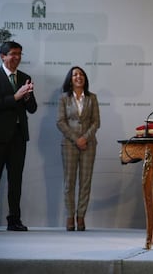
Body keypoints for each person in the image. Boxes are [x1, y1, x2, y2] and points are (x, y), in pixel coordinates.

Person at [0, 41, 37, 232]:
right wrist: (16, 96)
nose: (17, 57)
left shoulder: (25, 77)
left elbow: (32, 109)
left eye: (19, 54)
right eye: (13, 54)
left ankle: (14, 220)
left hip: (18, 136)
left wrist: (27, 96)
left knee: (16, 180)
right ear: (2, 56)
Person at [57, 66, 100, 231]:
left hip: (89, 144)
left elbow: (96, 122)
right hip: (69, 144)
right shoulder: (63, 98)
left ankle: (81, 217)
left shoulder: (92, 98)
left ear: (85, 79)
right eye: (75, 74)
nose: (78, 77)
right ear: (70, 79)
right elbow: (60, 122)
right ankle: (70, 217)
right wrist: (76, 139)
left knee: (85, 182)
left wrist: (85, 138)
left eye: (81, 74)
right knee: (69, 182)